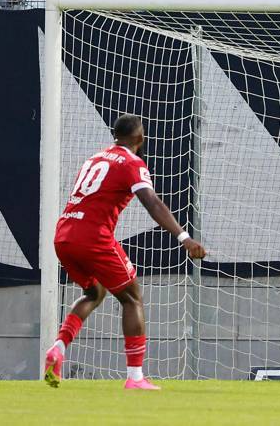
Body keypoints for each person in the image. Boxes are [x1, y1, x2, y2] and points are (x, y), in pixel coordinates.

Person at [43, 114, 206, 390]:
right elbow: (152, 203)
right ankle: (135, 378)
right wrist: (184, 237)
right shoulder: (132, 163)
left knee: (94, 292)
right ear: (140, 139)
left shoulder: (94, 158)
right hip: (93, 237)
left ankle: (58, 347)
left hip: (64, 235)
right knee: (132, 298)